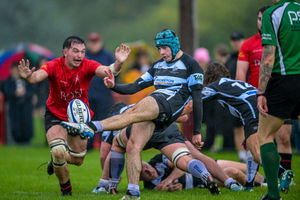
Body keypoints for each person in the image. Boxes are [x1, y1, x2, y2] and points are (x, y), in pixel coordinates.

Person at [61, 29, 204, 199]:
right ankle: (133, 193)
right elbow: (135, 86)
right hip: (155, 109)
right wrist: (113, 85)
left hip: (167, 106)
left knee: (131, 113)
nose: (161, 52)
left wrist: (197, 131)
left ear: (174, 45)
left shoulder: (191, 65)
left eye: (165, 48)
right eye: (159, 49)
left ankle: (91, 127)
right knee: (131, 146)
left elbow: (197, 99)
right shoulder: (158, 66)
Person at [17, 36, 130, 196]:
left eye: (83, 52)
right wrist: (27, 76)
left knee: (78, 160)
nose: (79, 55)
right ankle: (66, 192)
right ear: (65, 52)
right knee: (58, 151)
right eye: (75, 51)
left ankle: (56, 161)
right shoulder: (53, 65)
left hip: (78, 118)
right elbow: (36, 77)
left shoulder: (88, 65)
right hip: (55, 114)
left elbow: (109, 71)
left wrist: (119, 62)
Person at [91, 103, 243, 195]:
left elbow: (105, 154)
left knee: (120, 146)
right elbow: (183, 118)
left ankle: (116, 188)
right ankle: (229, 182)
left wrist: (107, 179)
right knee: (190, 157)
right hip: (166, 128)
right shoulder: (146, 103)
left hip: (141, 130)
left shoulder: (115, 119)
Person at [236, 5, 294, 179]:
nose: (261, 22)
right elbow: (240, 74)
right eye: (259, 19)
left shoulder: (283, 40)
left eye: (264, 19)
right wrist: (243, 99)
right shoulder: (248, 44)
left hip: (281, 93)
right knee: (258, 139)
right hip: (257, 98)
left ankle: (286, 177)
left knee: (283, 137)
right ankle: (262, 178)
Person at [193, 62, 261, 191]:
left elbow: (196, 101)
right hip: (263, 105)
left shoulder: (216, 85)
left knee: (256, 153)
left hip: (253, 111)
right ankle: (250, 187)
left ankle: (280, 171)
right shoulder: (232, 84)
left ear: (210, 78)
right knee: (253, 150)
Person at [257, 1, 299, 199]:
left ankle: (273, 195)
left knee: (265, 135)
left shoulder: (272, 13)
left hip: (285, 81)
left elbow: (268, 56)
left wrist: (261, 92)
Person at [141, 154, 265, 191]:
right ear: (141, 179)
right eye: (144, 173)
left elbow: (182, 163)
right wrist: (172, 188)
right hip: (201, 179)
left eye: (146, 166)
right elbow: (172, 189)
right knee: (233, 172)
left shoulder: (157, 161)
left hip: (203, 164)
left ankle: (265, 182)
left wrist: (168, 179)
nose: (148, 170)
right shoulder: (151, 187)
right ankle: (262, 187)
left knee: (247, 169)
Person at [85, 32, 116, 150]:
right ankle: (88, 146)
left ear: (100, 42)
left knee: (105, 121)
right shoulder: (84, 56)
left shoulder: (107, 56)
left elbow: (116, 74)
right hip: (87, 95)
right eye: (91, 42)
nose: (94, 44)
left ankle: (106, 145)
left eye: (96, 42)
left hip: (104, 96)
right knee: (88, 121)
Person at [3, 62, 34, 144]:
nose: (15, 72)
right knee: (15, 124)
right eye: (14, 70)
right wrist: (15, 93)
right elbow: (6, 92)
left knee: (26, 123)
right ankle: (16, 139)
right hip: (14, 106)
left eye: (17, 70)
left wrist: (25, 93)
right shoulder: (8, 81)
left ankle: (26, 140)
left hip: (25, 105)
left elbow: (32, 90)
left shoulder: (26, 79)